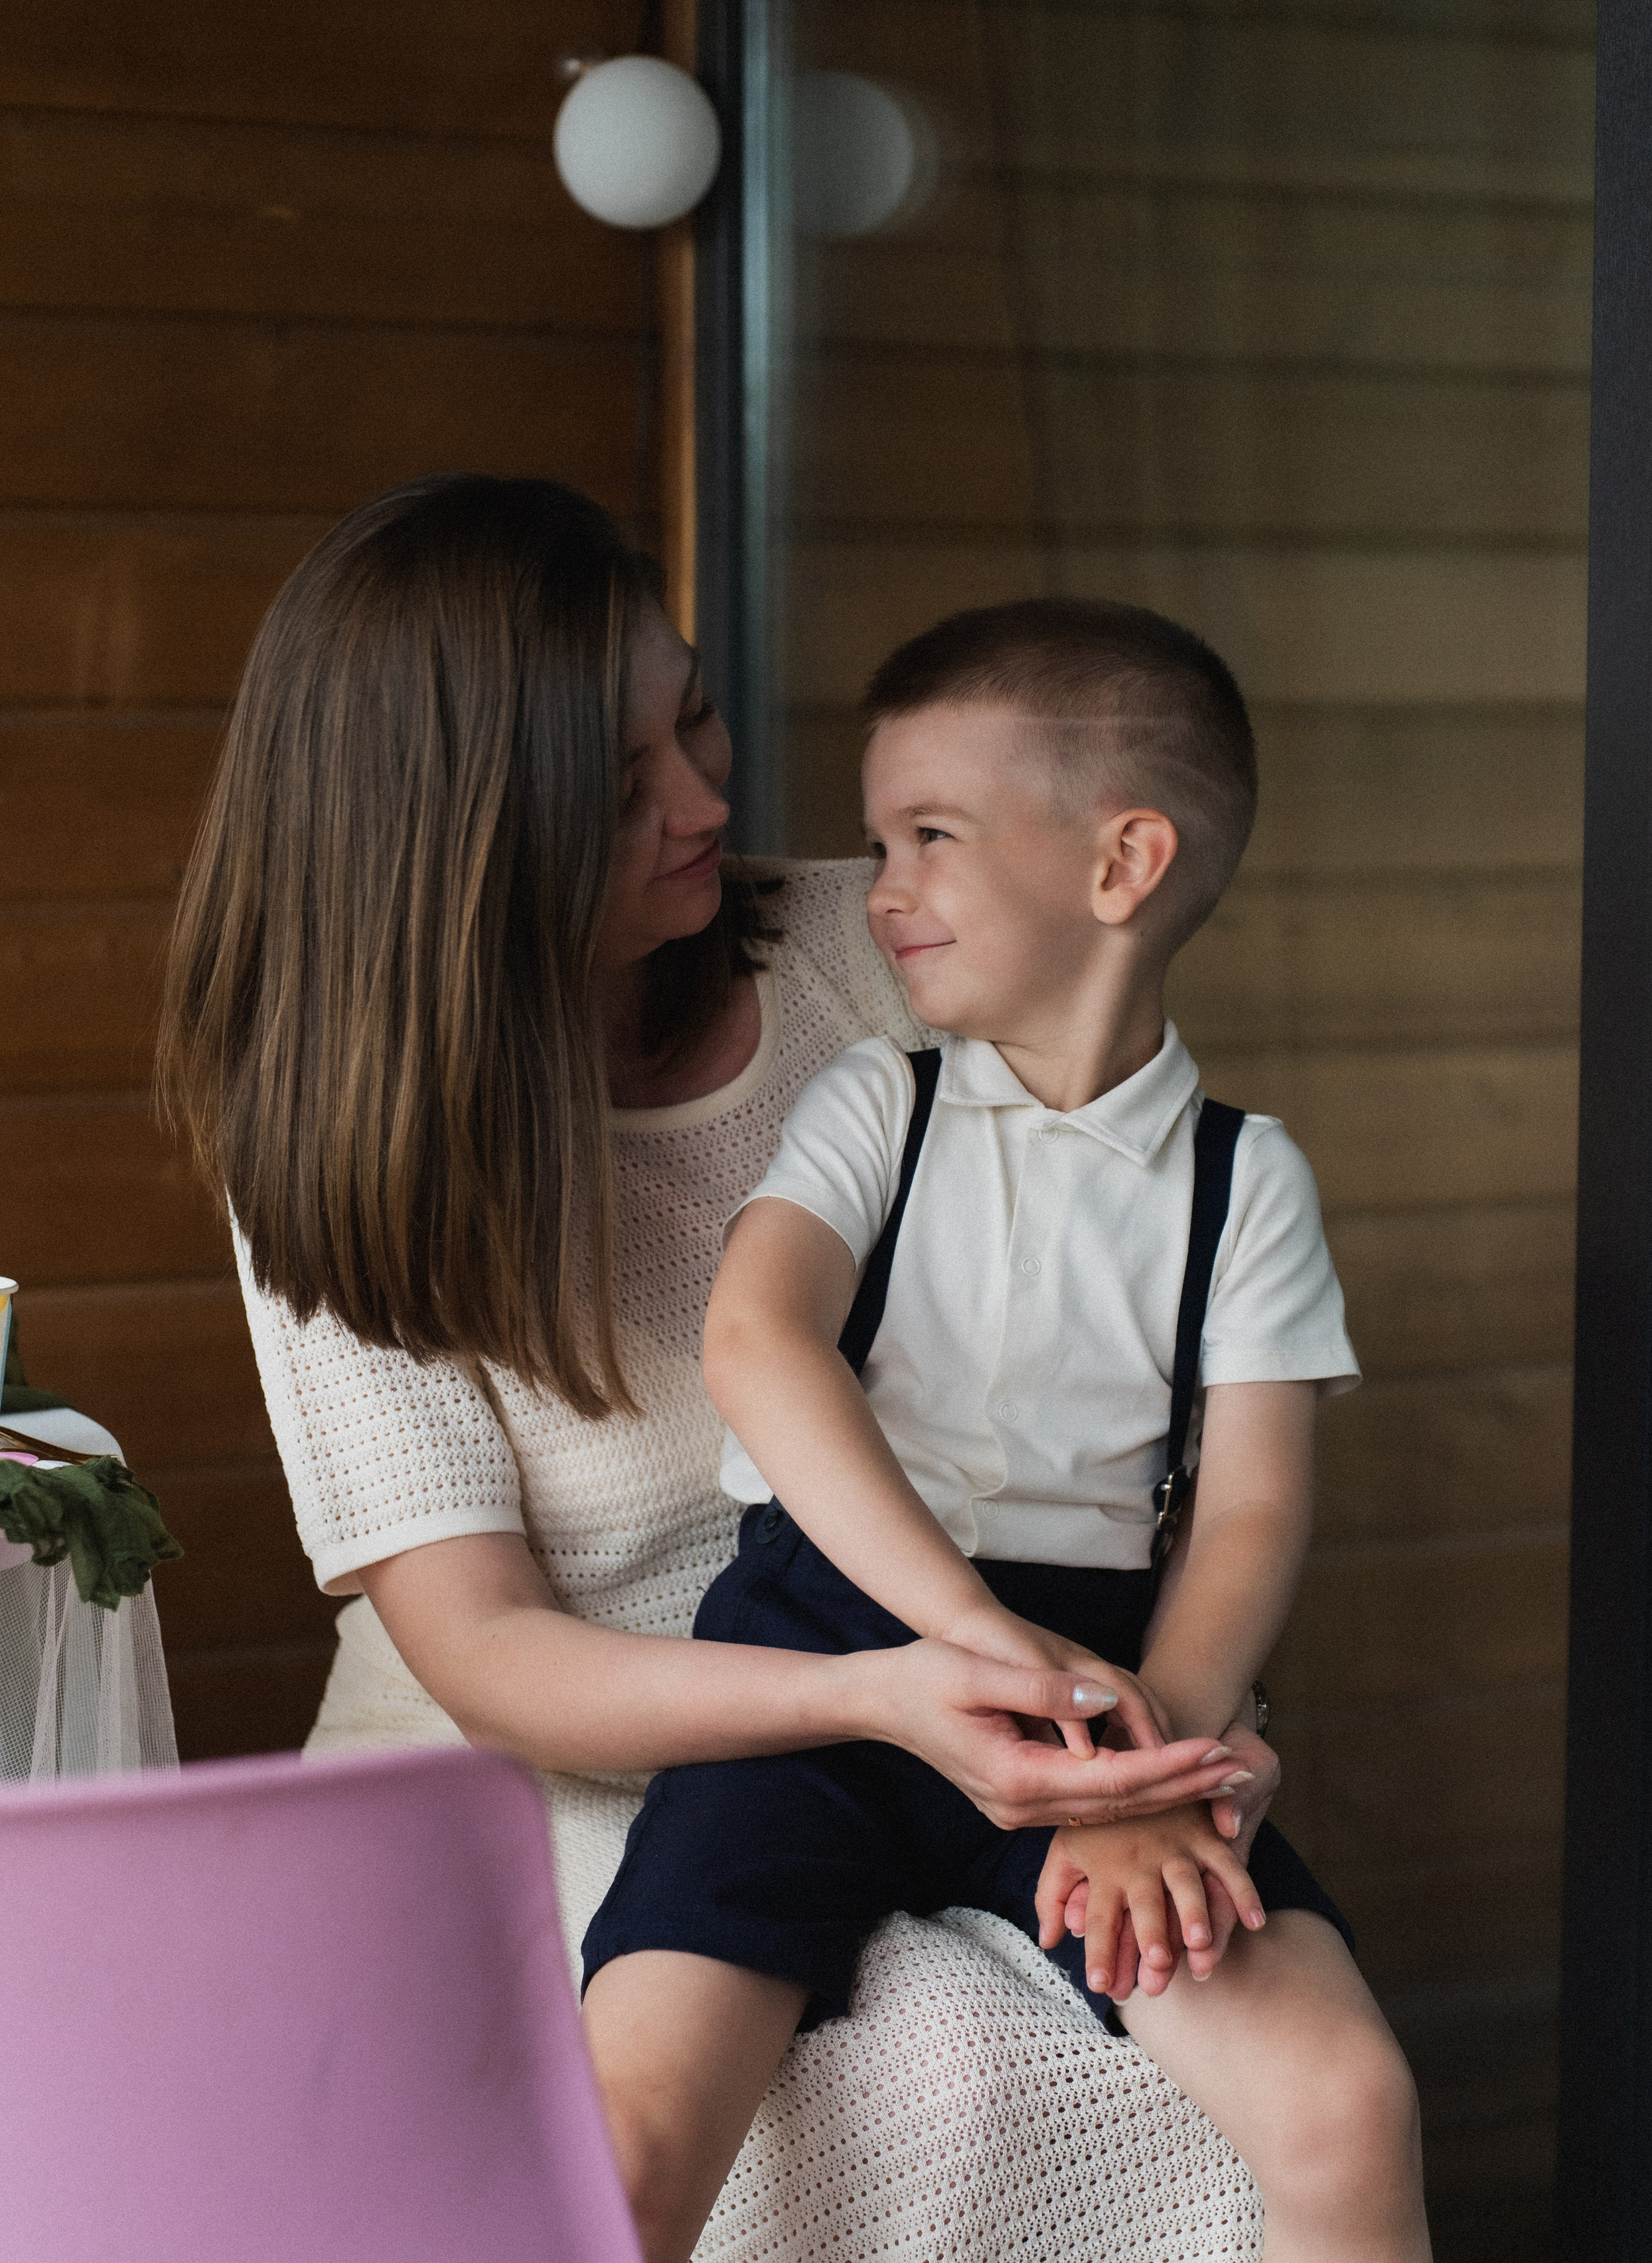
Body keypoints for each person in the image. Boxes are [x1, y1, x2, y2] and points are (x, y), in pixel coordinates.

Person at [160, 473, 1290, 2261]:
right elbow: (494, 1658)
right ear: (465, 846)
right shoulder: (337, 1142)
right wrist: (884, 1697)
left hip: (942, 1705)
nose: (710, 800)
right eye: (622, 796)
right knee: (895, 2086)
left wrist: (1159, 1728)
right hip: (541, 1773)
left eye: (691, 714)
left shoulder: (898, 941)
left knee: (1225, 2079)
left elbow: (1154, 1423)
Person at [581, 599, 1430, 2263]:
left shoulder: (1246, 1183)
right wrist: (978, 1646)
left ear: (1120, 867)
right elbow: (758, 1344)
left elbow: (1248, 1512)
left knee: (1347, 2102)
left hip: (1113, 1691)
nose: (878, 889)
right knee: (627, 2139)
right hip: (825, 1647)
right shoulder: (870, 1106)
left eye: (928, 838)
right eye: (874, 839)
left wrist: (1142, 1758)